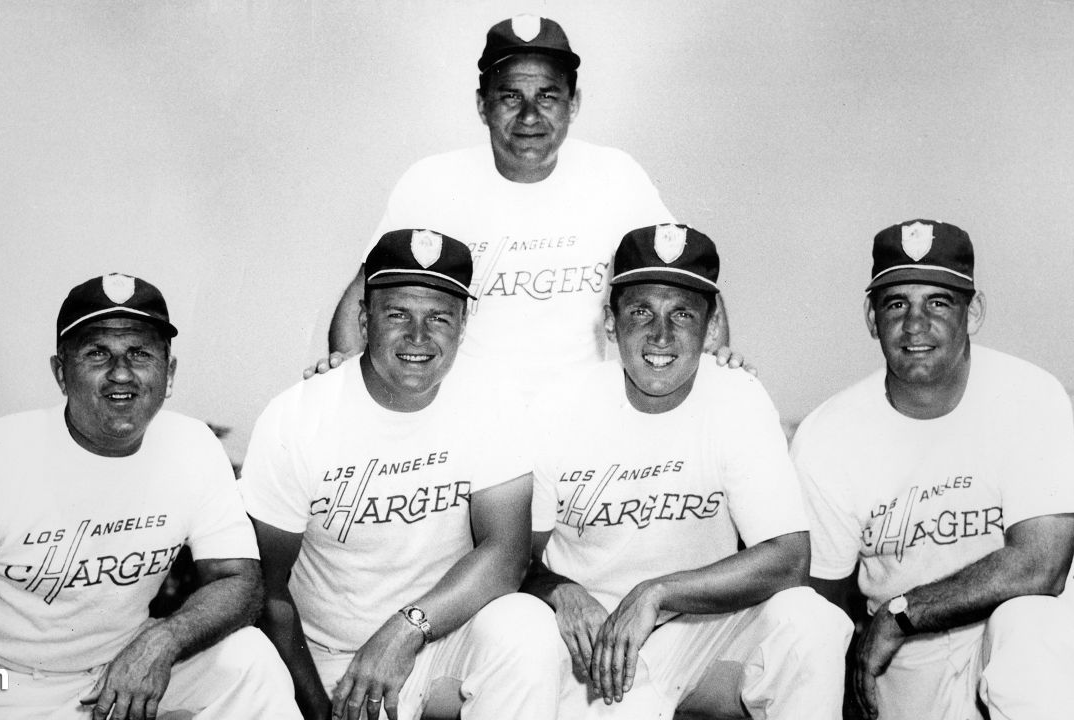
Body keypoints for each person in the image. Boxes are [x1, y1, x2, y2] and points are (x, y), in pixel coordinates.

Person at [0, 273, 298, 720]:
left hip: (116, 668)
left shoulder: (193, 445)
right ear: (61, 373)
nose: (120, 373)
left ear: (169, 372)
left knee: (249, 661)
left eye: (140, 353)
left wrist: (162, 641)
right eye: (96, 353)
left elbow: (238, 580)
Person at [312, 15, 737, 397]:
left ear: (574, 103)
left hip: (578, 416)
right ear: (482, 104)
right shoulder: (433, 182)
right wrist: (348, 391)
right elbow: (362, 300)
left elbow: (688, 285)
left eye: (548, 96)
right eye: (511, 96)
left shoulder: (616, 176)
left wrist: (719, 380)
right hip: (462, 419)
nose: (530, 117)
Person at [525, 224, 852, 719]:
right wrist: (561, 591)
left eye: (682, 313)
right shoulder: (559, 407)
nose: (661, 335)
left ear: (712, 324)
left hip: (702, 628)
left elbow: (789, 560)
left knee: (813, 622)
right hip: (596, 642)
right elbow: (514, 560)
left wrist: (657, 592)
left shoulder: (737, 396)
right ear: (610, 323)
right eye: (640, 312)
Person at [243, 229, 564, 720]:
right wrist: (320, 709)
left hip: (439, 639)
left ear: (463, 323)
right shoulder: (297, 417)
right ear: (365, 319)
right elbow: (267, 591)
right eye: (398, 315)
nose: (419, 337)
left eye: (438, 317)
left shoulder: (492, 401)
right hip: (333, 662)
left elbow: (506, 556)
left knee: (525, 625)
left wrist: (404, 631)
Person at [792, 220, 1074, 720]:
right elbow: (820, 603)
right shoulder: (828, 434)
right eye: (896, 304)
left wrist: (901, 614)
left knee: (1034, 624)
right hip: (909, 658)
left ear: (973, 312)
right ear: (872, 319)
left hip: (1007, 627)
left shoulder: (1028, 394)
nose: (916, 325)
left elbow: (1042, 565)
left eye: (938, 302)